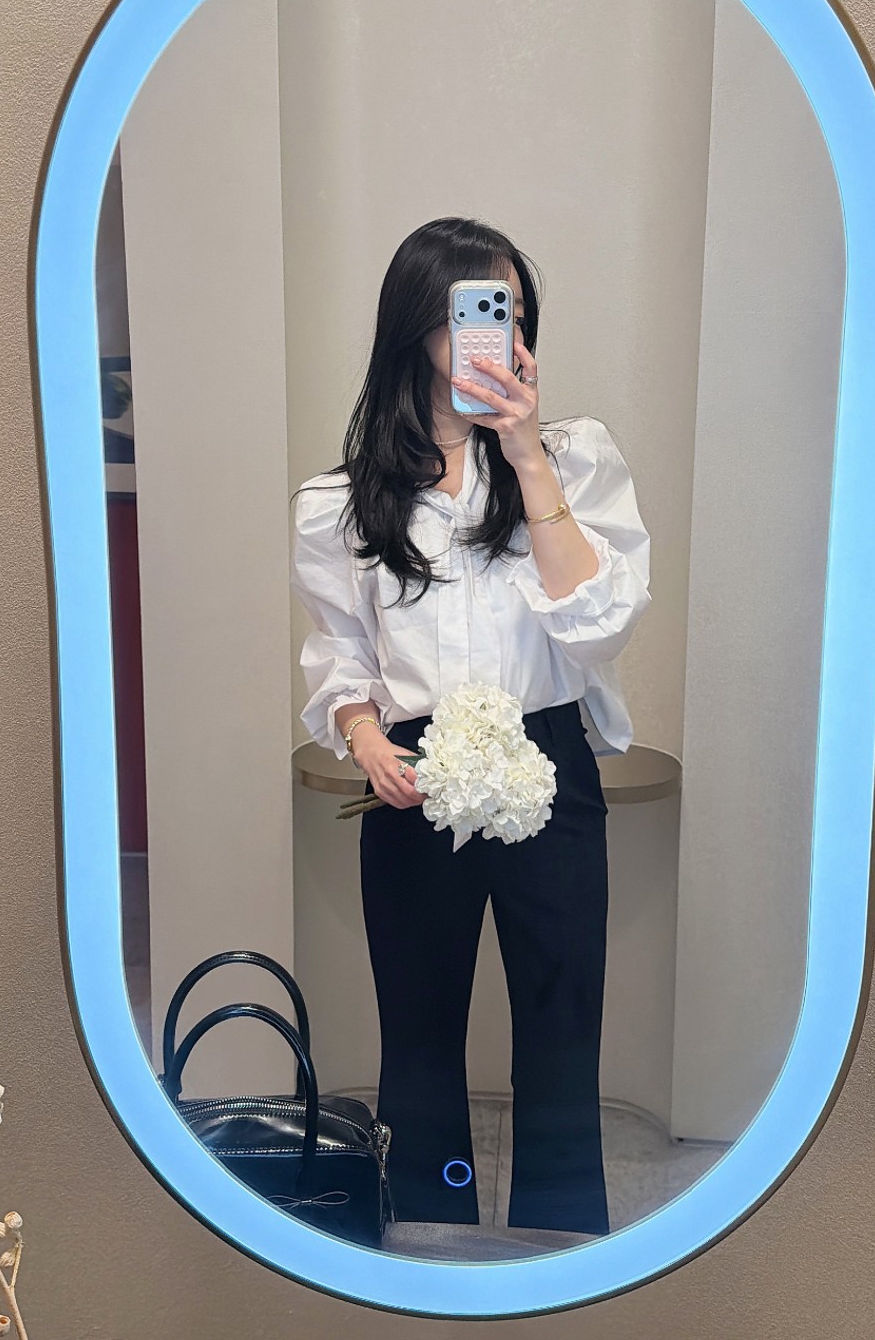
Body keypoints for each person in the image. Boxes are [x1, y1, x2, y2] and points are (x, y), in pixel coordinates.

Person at [289, 216, 650, 1236]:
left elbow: (603, 623)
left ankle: (562, 1252)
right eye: (480, 315)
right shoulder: (341, 502)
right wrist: (366, 743)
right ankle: (430, 1243)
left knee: (561, 1031)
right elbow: (342, 658)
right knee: (417, 1039)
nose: (506, 339)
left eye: (516, 317)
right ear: (418, 326)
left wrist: (526, 455)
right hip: (413, 780)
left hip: (550, 765)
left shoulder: (573, 459)